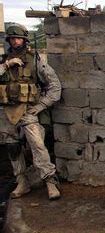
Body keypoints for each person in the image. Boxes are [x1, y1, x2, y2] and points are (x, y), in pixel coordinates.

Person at [0, 24, 61, 200]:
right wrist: (6, 65)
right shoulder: (3, 60)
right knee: (12, 147)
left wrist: (40, 106)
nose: (15, 41)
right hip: (6, 112)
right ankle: (21, 182)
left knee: (38, 146)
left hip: (27, 111)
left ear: (25, 40)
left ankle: (50, 181)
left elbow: (54, 86)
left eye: (18, 38)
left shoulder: (34, 60)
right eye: (12, 38)